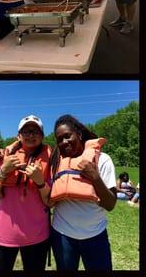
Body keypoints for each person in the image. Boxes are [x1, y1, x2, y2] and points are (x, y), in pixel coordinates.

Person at [49, 115, 117, 271]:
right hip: (62, 235)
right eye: (59, 139)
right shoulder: (56, 162)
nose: (64, 142)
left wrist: (95, 177)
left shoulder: (103, 160)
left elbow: (110, 204)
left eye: (67, 136)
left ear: (79, 134)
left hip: (95, 235)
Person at [0, 115, 51, 271]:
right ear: (18, 136)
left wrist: (40, 181)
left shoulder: (50, 160)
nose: (31, 135)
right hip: (3, 234)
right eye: (26, 131)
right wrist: (3, 171)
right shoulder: (6, 157)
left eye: (36, 131)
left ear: (42, 136)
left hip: (37, 235)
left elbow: (50, 202)